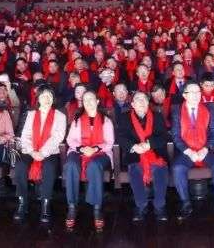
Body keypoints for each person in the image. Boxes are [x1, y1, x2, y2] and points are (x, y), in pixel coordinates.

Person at [171, 80, 214, 219]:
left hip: (206, 149)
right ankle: (185, 203)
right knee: (177, 168)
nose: (196, 95)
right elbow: (175, 135)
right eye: (192, 92)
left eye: (198, 92)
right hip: (186, 151)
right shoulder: (177, 111)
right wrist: (188, 151)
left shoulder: (209, 108)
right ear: (185, 95)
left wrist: (206, 148)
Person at [12, 84, 66, 223]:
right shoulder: (31, 114)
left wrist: (42, 152)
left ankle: (45, 204)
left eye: (49, 96)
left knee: (49, 167)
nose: (46, 99)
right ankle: (22, 202)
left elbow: (57, 137)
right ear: (38, 98)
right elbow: (25, 135)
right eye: (43, 96)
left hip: (49, 152)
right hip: (30, 150)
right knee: (20, 166)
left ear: (53, 98)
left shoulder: (60, 115)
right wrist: (32, 151)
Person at [63, 89, 114, 231]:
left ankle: (97, 208)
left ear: (97, 101)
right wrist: (81, 149)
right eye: (85, 100)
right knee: (71, 165)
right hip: (79, 151)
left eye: (91, 99)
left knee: (94, 165)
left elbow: (109, 142)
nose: (89, 102)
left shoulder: (106, 120)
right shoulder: (77, 119)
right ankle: (72, 206)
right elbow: (70, 140)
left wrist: (95, 149)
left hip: (101, 153)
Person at [117, 90, 170, 222]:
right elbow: (121, 137)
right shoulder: (124, 117)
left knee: (159, 171)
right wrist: (135, 147)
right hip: (135, 155)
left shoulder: (157, 116)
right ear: (132, 104)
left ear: (148, 102)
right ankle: (141, 206)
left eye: (144, 99)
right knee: (135, 171)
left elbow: (164, 136)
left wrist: (149, 144)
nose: (141, 102)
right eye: (138, 99)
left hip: (155, 153)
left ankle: (160, 206)